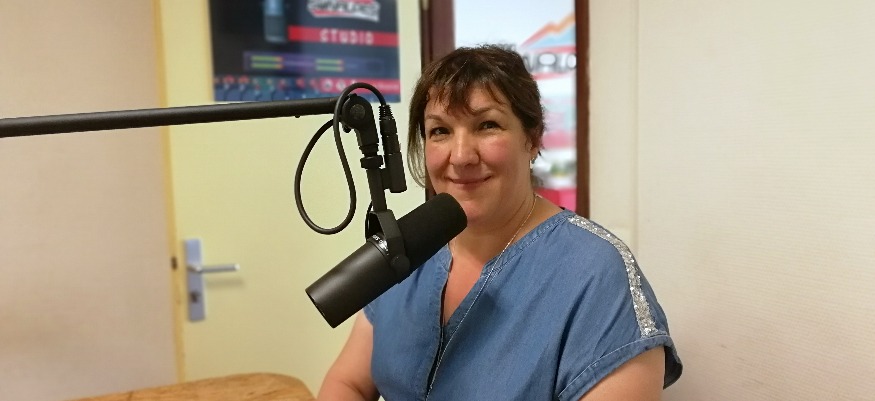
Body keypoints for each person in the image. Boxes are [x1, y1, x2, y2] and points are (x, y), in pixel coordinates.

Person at [317, 45, 682, 401]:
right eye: (440, 131)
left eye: (487, 125)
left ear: (532, 138)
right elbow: (348, 383)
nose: (461, 156)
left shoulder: (595, 274)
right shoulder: (409, 247)